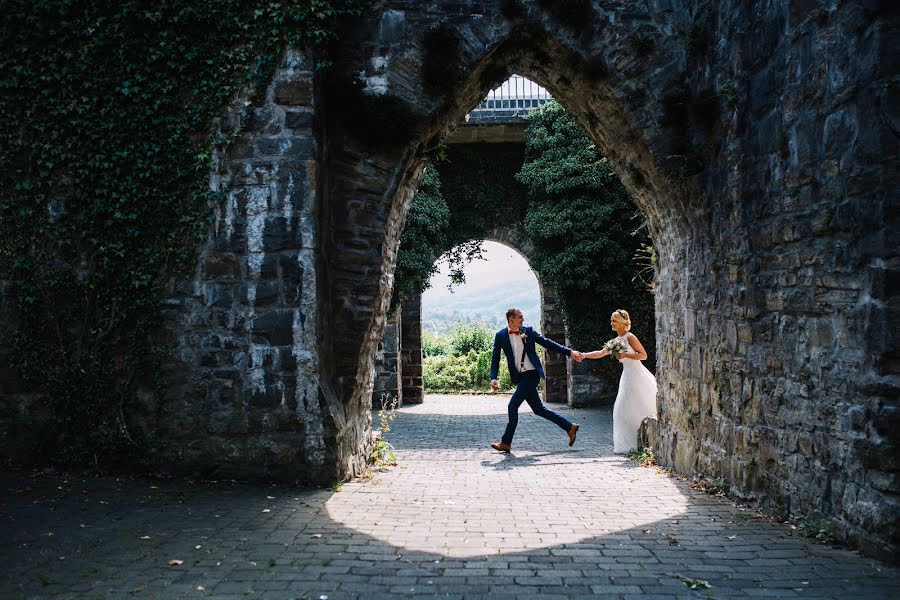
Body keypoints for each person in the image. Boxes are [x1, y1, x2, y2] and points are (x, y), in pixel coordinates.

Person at [489, 307, 583, 452]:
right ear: (511, 319)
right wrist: (493, 378)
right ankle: (569, 427)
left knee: (512, 406)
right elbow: (495, 358)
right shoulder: (500, 335)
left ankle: (506, 442)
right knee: (539, 410)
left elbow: (547, 343)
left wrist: (569, 352)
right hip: (519, 377)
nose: (523, 319)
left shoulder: (528, 332)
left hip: (531, 375)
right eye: (520, 317)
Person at [581, 309, 657, 453]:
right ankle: (630, 444)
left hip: (637, 375)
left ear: (622, 323)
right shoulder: (615, 341)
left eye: (613, 320)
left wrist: (625, 354)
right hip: (626, 377)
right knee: (622, 410)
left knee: (640, 405)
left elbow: (644, 355)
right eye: (611, 320)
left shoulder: (630, 337)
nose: (611, 323)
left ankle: (647, 441)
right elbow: (600, 353)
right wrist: (583, 355)